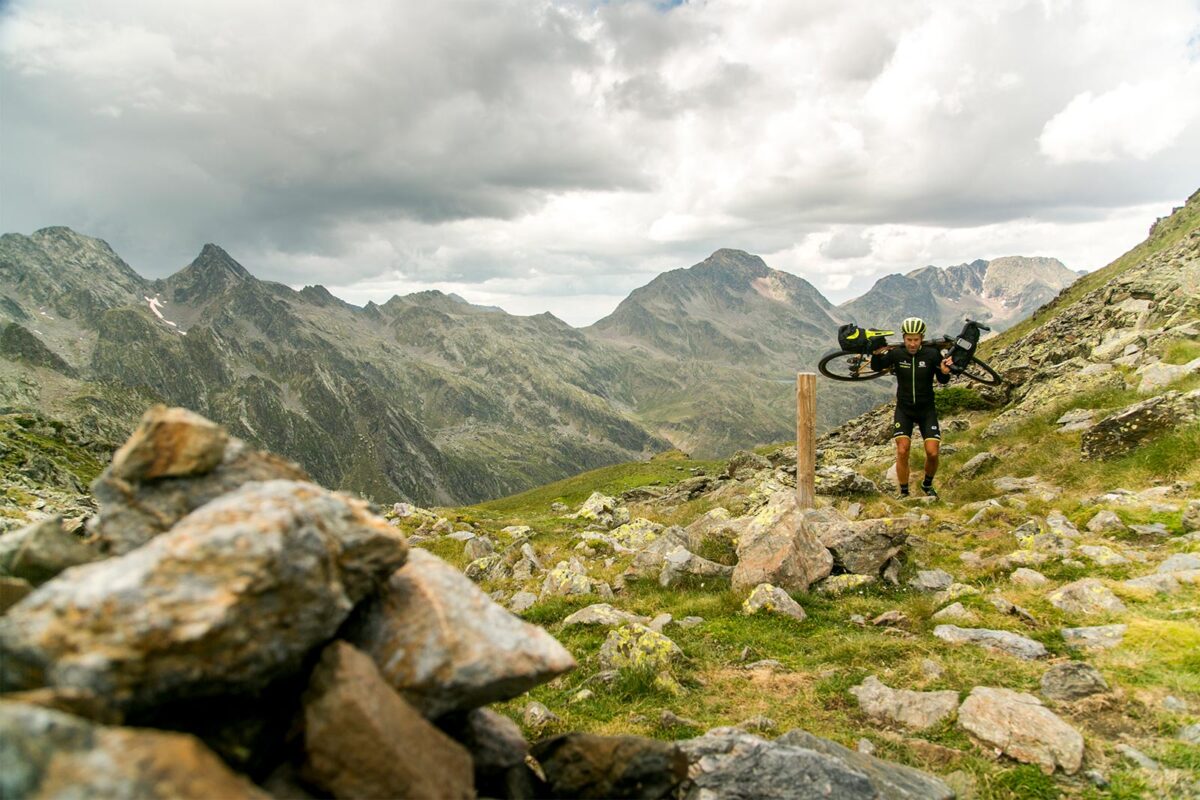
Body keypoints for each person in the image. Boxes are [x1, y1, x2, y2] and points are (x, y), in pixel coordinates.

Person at [870, 317, 952, 498]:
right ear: (904, 338)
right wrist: (875, 354)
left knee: (932, 452)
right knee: (902, 449)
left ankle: (927, 484)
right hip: (904, 409)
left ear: (921, 338)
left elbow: (943, 379)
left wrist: (945, 373)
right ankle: (904, 492)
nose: (912, 344)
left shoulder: (931, 354)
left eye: (916, 339)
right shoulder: (897, 354)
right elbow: (877, 367)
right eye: (909, 340)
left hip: (926, 410)